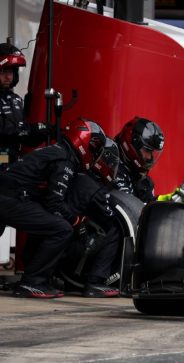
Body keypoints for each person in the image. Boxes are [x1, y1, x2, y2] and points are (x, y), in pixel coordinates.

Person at [0, 117, 106, 298]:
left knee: (47, 222)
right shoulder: (65, 159)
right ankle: (32, 282)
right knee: (62, 229)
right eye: (94, 146)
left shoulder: (59, 151)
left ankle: (40, 278)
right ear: (83, 139)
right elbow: (54, 203)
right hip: (11, 199)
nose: (94, 152)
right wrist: (77, 220)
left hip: (8, 196)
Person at [60, 138, 120, 298]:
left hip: (58, 243)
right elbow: (109, 216)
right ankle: (95, 282)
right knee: (114, 231)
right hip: (69, 246)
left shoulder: (77, 175)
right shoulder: (94, 187)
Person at [0, 42, 49, 169]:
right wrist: (28, 129)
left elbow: (25, 137)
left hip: (14, 162)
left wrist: (42, 132)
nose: (8, 76)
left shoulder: (16, 100)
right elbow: (7, 130)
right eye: (4, 71)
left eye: (11, 72)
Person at [114, 117, 164, 203]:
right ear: (134, 143)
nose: (150, 157)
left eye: (152, 152)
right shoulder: (110, 166)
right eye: (147, 151)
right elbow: (128, 208)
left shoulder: (144, 181)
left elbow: (148, 212)